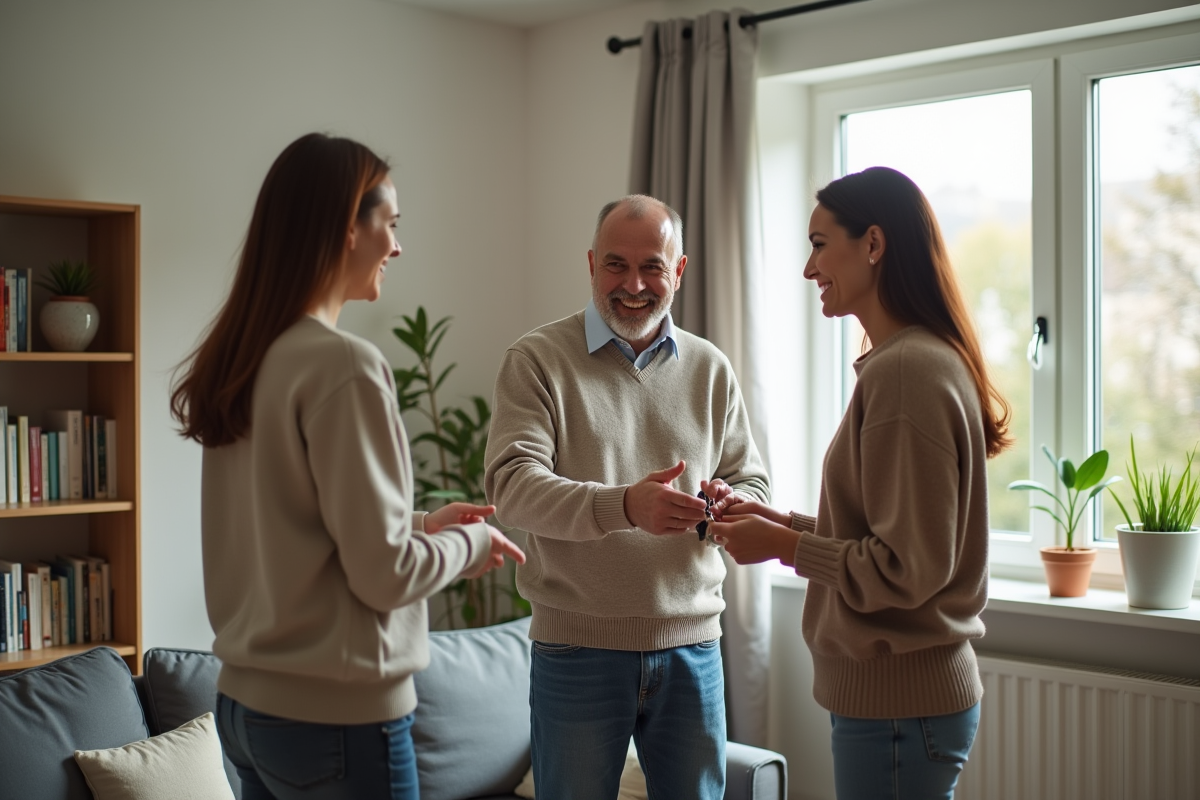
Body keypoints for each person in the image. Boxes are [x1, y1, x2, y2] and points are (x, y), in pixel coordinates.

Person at [169, 132, 524, 800]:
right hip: (333, 722)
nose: (397, 246)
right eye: (390, 224)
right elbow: (386, 575)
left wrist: (421, 525)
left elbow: (289, 523)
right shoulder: (344, 365)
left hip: (247, 713)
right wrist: (470, 544)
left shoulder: (244, 360)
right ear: (346, 229)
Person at [710, 166, 1011, 800]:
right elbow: (888, 534)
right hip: (906, 705)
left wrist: (785, 547)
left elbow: (906, 569)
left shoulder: (906, 372)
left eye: (820, 244)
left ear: (872, 243)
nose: (808, 268)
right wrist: (782, 525)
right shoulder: (918, 360)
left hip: (899, 707)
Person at [484, 194, 770, 800]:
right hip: (577, 649)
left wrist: (728, 500)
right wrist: (624, 507)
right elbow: (512, 488)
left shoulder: (711, 368)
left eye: (652, 267)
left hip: (694, 646)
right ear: (592, 264)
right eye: (616, 265)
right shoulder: (536, 360)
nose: (633, 285)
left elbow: (754, 482)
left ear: (679, 270)